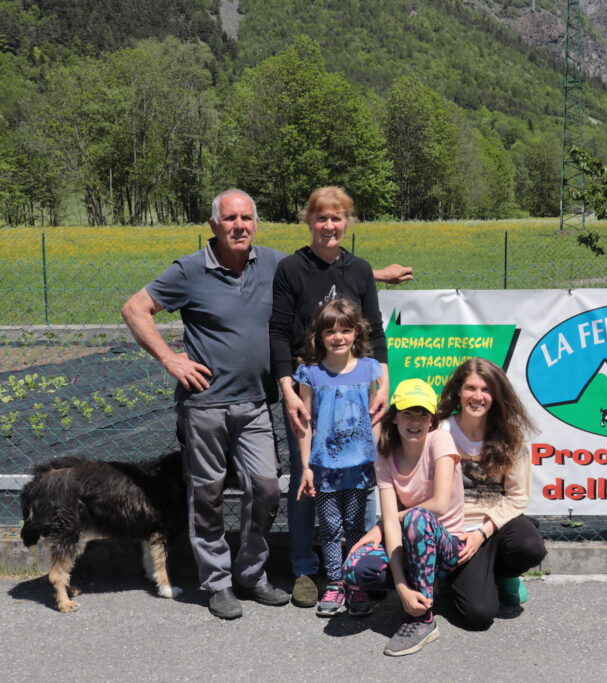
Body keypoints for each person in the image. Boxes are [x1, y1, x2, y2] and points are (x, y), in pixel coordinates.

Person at [121, 189, 290, 619]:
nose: (239, 226)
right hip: (205, 405)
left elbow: (320, 276)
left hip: (255, 403)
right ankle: (217, 583)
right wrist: (169, 358)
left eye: (247, 218)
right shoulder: (190, 270)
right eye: (230, 218)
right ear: (214, 224)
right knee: (208, 493)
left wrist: (373, 274)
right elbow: (136, 308)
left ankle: (251, 574)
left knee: (267, 487)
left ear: (256, 222)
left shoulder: (272, 263)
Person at [269, 186, 409, 608]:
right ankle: (304, 569)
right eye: (321, 217)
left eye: (337, 218)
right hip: (309, 388)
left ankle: (361, 567)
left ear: (347, 222)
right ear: (308, 221)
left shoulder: (361, 270)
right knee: (306, 479)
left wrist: (383, 384)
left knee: (360, 480)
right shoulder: (292, 269)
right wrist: (287, 389)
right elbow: (277, 332)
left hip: (355, 389)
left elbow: (377, 333)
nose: (329, 225)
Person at [339, 379, 464, 657]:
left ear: (432, 420)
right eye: (408, 412)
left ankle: (423, 619)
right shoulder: (385, 455)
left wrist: (385, 523)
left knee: (418, 517)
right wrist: (401, 587)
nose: (415, 421)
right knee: (355, 566)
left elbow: (439, 504)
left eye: (423, 414)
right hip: (410, 541)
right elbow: (392, 523)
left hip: (449, 545)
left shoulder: (440, 439)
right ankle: (413, 594)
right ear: (394, 417)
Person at [436, 357, 547, 630]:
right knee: (478, 616)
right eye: (471, 388)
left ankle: (503, 574)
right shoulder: (439, 431)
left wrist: (482, 532)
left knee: (530, 546)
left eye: (486, 390)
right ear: (458, 392)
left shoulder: (510, 436)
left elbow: (518, 496)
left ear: (496, 396)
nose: (478, 396)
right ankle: (451, 577)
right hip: (455, 530)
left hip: (495, 526)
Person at [293, 299, 381, 618]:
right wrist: (305, 467)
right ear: (319, 335)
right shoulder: (309, 374)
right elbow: (304, 424)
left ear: (356, 333)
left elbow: (377, 418)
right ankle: (334, 582)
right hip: (324, 469)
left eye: (345, 330)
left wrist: (379, 460)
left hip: (359, 469)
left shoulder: (371, 370)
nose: (338, 337)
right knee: (330, 527)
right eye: (330, 331)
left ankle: (356, 583)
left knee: (357, 527)